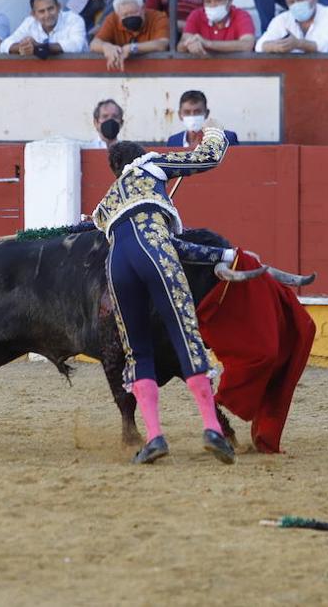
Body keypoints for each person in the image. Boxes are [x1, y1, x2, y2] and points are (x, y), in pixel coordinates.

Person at [93, 129, 239, 465]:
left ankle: (155, 437)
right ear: (141, 154)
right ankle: (212, 428)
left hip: (116, 266)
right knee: (184, 337)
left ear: (115, 170)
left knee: (137, 350)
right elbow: (209, 156)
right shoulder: (152, 165)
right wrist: (216, 131)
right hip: (154, 249)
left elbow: (91, 228)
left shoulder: (109, 200)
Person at [91, 0, 170, 71]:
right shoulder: (112, 19)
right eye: (125, 15)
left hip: (155, 70)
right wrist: (105, 47)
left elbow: (162, 44)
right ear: (118, 14)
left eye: (134, 12)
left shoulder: (158, 17)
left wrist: (132, 48)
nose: (130, 16)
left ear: (143, 8)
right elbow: (94, 44)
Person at [177, 0, 256, 56]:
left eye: (218, 0)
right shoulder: (196, 15)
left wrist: (208, 43)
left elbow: (247, 44)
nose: (213, 5)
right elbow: (181, 46)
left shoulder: (242, 16)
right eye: (208, 2)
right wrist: (189, 44)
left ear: (229, 0)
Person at [0, 0, 88, 57]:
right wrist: (22, 47)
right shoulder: (29, 22)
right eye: (41, 11)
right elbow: (4, 45)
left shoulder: (74, 19)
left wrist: (38, 47)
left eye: (50, 9)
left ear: (58, 7)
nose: (47, 14)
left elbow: (76, 45)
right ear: (33, 14)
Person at [167, 90, 240, 147]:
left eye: (197, 112)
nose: (192, 116)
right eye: (187, 112)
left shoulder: (227, 138)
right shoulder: (173, 141)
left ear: (206, 113)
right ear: (180, 115)